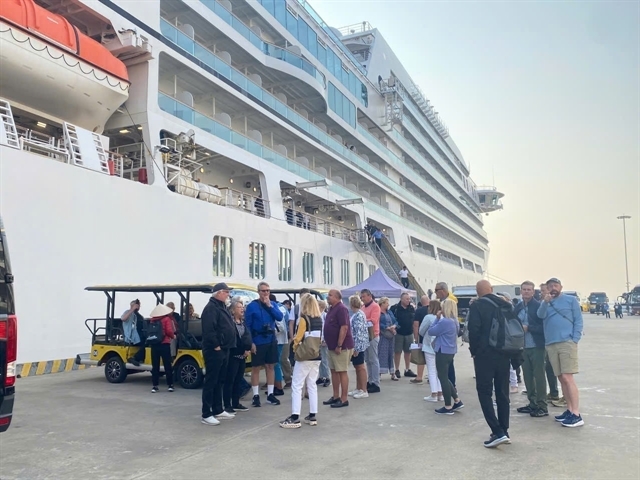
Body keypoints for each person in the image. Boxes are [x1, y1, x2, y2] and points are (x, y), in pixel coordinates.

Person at [467, 280, 512, 447]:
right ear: (492, 290)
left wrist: (474, 352)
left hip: (485, 355)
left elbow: (474, 330)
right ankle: (504, 430)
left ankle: (497, 431)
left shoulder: (477, 306)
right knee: (502, 392)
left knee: (484, 392)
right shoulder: (505, 304)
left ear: (478, 292)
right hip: (505, 354)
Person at [537, 278, 584, 427]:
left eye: (555, 285)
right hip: (551, 344)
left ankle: (576, 414)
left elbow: (578, 320)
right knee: (561, 378)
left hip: (566, 342)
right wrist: (545, 301)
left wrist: (575, 339)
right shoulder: (545, 303)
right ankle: (569, 410)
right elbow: (540, 315)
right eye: (550, 286)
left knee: (567, 377)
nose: (553, 288)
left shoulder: (570, 300)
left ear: (561, 287)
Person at [280, 295, 324, 428]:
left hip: (304, 356)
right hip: (316, 355)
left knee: (297, 385)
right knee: (312, 385)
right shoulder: (319, 319)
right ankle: (312, 415)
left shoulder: (304, 319)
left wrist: (294, 347)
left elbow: (298, 338)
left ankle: (295, 417)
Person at [201, 283, 237, 425]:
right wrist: (216, 346)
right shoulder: (210, 309)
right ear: (219, 293)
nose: (228, 294)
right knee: (211, 381)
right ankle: (206, 413)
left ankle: (217, 409)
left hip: (225, 348)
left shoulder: (222, 307)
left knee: (220, 380)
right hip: (214, 350)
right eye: (226, 292)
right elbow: (209, 330)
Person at [245, 281, 283, 407]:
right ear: (258, 292)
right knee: (256, 368)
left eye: (267, 290)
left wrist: (269, 306)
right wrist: (251, 343)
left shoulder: (272, 304)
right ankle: (256, 395)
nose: (266, 293)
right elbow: (247, 326)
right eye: (263, 290)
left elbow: (279, 317)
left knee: (270, 366)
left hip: (271, 339)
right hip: (258, 340)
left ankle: (270, 394)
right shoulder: (252, 306)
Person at [515, 281, 548, 417]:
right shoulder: (517, 307)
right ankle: (532, 403)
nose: (526, 292)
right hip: (522, 347)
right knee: (527, 376)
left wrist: (529, 328)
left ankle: (542, 406)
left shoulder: (538, 307)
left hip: (537, 346)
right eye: (524, 289)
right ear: (521, 291)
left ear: (533, 292)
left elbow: (545, 327)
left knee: (539, 376)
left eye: (529, 290)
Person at [427, 299, 463, 415]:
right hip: (451, 350)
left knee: (442, 378)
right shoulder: (455, 321)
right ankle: (456, 400)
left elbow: (431, 331)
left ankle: (448, 406)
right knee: (445, 377)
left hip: (442, 350)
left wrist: (437, 319)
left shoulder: (445, 322)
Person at [322, 289, 354, 408]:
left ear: (337, 297)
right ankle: (336, 396)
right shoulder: (331, 308)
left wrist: (339, 344)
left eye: (330, 295)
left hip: (341, 347)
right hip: (331, 346)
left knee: (341, 371)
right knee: (334, 371)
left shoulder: (341, 309)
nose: (328, 297)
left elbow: (344, 327)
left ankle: (344, 398)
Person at [223, 297, 252, 414]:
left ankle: (236, 402)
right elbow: (233, 339)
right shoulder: (230, 323)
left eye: (242, 307)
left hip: (242, 356)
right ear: (233, 310)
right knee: (230, 381)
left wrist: (248, 348)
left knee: (238, 380)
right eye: (239, 307)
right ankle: (227, 404)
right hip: (233, 355)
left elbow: (247, 336)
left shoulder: (243, 322)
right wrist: (242, 349)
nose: (242, 309)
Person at [540, 283, 562, 405]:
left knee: (551, 368)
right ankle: (552, 392)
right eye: (542, 291)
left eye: (544, 291)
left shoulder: (552, 303)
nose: (543, 293)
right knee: (547, 368)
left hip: (550, 341)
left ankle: (554, 393)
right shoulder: (543, 304)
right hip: (544, 341)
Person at [148, 304, 176, 393]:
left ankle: (155, 386)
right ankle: (170, 385)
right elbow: (169, 331)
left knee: (155, 366)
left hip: (154, 344)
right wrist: (173, 336)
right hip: (164, 344)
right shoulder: (166, 319)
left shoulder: (152, 320)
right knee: (167, 365)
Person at [434, 282, 458, 387]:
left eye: (436, 290)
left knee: (447, 368)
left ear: (442, 290)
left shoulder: (450, 300)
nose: (435, 293)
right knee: (449, 365)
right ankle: (451, 387)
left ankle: (451, 388)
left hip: (445, 340)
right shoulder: (442, 300)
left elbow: (432, 330)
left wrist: (437, 320)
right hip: (448, 339)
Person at [419, 299, 442, 402]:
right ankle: (441, 393)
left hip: (429, 346)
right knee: (439, 371)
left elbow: (421, 330)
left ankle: (434, 394)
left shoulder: (428, 317)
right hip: (440, 346)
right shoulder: (443, 317)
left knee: (431, 371)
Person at [390, 293, 417, 378]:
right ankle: (397, 369)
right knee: (397, 352)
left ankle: (407, 369)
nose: (408, 301)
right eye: (406, 299)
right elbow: (391, 319)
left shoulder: (411, 308)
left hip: (409, 333)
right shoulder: (395, 308)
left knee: (408, 352)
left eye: (409, 299)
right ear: (401, 299)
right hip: (399, 333)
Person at [348, 295, 370, 399]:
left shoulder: (358, 315)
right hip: (358, 344)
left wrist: (356, 348)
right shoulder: (358, 314)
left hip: (358, 345)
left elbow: (359, 333)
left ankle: (364, 389)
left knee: (360, 367)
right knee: (357, 367)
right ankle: (359, 388)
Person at [360, 289, 381, 393]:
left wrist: (362, 320)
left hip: (373, 334)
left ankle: (376, 382)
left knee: (373, 359)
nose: (362, 298)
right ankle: (370, 380)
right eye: (361, 297)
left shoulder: (375, 306)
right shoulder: (363, 307)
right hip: (365, 336)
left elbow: (373, 320)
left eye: (364, 296)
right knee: (368, 360)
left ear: (369, 296)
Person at [270, 294, 288, 396]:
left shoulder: (277, 310)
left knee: (275, 364)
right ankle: (276, 385)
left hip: (278, 341)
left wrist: (271, 332)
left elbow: (280, 327)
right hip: (280, 340)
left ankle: (278, 386)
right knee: (276, 364)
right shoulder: (281, 308)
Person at [377, 297, 398, 381]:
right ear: (382, 304)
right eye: (386, 303)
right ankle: (379, 373)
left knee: (390, 354)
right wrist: (387, 327)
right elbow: (377, 323)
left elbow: (395, 321)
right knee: (381, 354)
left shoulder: (389, 312)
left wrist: (394, 326)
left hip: (391, 335)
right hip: (383, 335)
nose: (388, 304)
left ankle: (392, 373)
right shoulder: (378, 312)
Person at [412, 295, 431, 385]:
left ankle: (419, 377)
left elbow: (416, 325)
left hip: (422, 336)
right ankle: (432, 377)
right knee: (432, 357)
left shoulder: (419, 311)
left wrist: (416, 337)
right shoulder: (434, 310)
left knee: (421, 357)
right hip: (434, 336)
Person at [122, 299, 146, 366]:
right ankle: (134, 358)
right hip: (131, 337)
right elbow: (123, 318)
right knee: (146, 344)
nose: (138, 307)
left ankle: (141, 359)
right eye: (137, 305)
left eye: (139, 305)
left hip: (140, 335)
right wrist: (132, 309)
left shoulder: (139, 315)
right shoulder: (128, 312)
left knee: (150, 342)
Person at [316, 299, 331, 387]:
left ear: (321, 307)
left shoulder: (325, 316)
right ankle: (322, 377)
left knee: (324, 359)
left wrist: (325, 340)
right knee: (319, 360)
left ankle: (327, 377)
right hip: (318, 340)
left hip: (323, 340)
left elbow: (326, 329)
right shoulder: (317, 315)